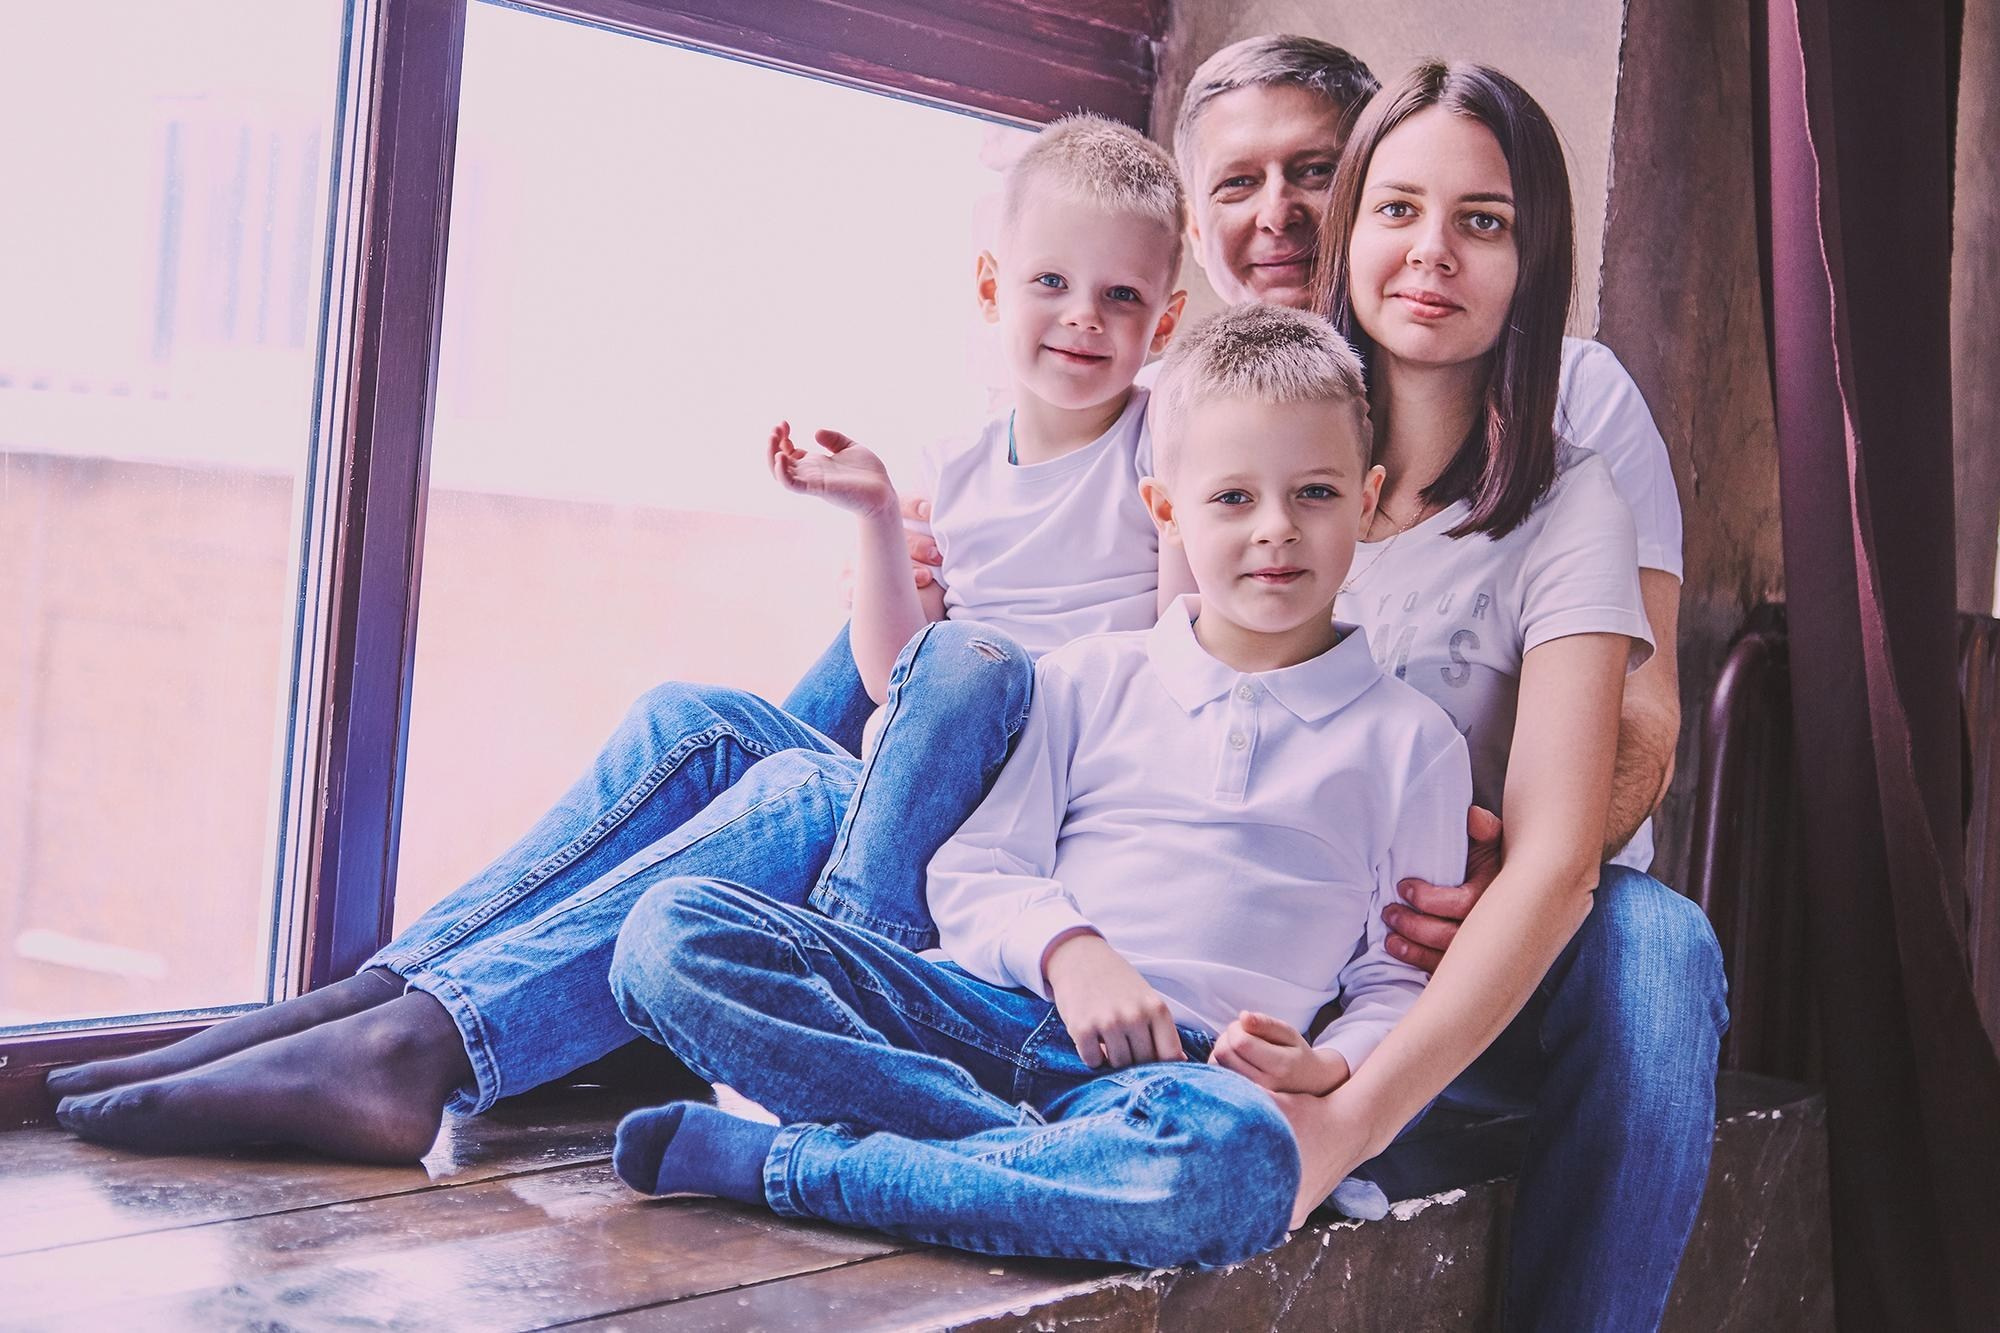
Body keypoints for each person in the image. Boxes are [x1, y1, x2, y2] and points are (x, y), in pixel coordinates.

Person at [47, 114, 1189, 1161]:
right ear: (993, 290)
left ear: (1165, 320)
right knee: (685, 718)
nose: (1085, 316)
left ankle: (418, 1050)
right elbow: (885, 666)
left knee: (815, 771)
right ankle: (376, 1000)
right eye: (1052, 282)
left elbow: (1183, 657)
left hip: (1013, 830)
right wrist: (878, 526)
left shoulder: (1162, 446)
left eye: (1120, 298)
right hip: (920, 782)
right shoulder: (960, 453)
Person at [603, 303, 1473, 1269]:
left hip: (1174, 1082)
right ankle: (1033, 1168)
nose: (1276, 529)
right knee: (668, 931)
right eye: (1232, 498)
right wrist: (1072, 952)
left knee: (1240, 1161)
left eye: (1314, 492)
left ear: (1369, 500)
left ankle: (798, 1168)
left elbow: (1400, 982)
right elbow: (976, 871)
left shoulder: (1413, 744)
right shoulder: (1092, 678)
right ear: (1167, 509)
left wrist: (1327, 1063)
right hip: (982, 1014)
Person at [1273, 62, 1723, 1332]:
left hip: (1470, 954)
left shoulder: (1572, 497)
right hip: (1274, 937)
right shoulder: (1259, 446)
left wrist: (1346, 1119)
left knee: (1657, 945)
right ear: (1347, 228)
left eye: (1483, 222)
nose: (1431, 252)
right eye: (1397, 209)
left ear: (1534, 262)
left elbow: (1566, 848)